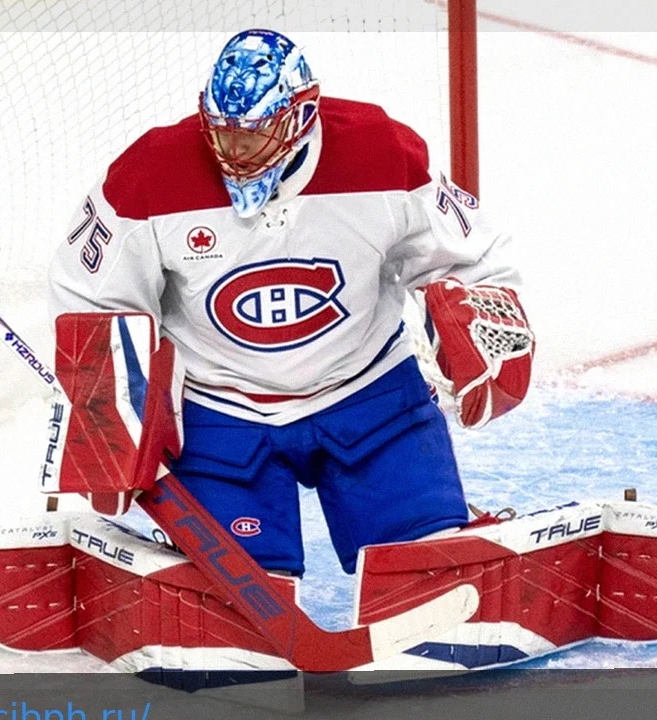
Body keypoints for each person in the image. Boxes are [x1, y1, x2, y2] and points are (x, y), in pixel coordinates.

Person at [45, 28, 534, 578]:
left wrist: (484, 317)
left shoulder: (381, 151)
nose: (234, 150)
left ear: (300, 115)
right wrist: (106, 407)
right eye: (222, 132)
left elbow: (471, 252)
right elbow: (88, 292)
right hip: (219, 409)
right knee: (243, 594)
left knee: (424, 569)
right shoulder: (149, 174)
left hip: (368, 391)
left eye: (254, 134)